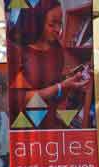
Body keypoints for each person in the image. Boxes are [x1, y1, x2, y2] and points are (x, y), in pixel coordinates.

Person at [6, 0, 92, 129]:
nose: (58, 30)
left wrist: (72, 85)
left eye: (60, 24)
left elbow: (56, 96)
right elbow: (20, 99)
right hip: (24, 131)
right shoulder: (17, 51)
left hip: (50, 127)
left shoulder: (56, 49)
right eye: (52, 24)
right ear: (37, 21)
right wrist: (60, 86)